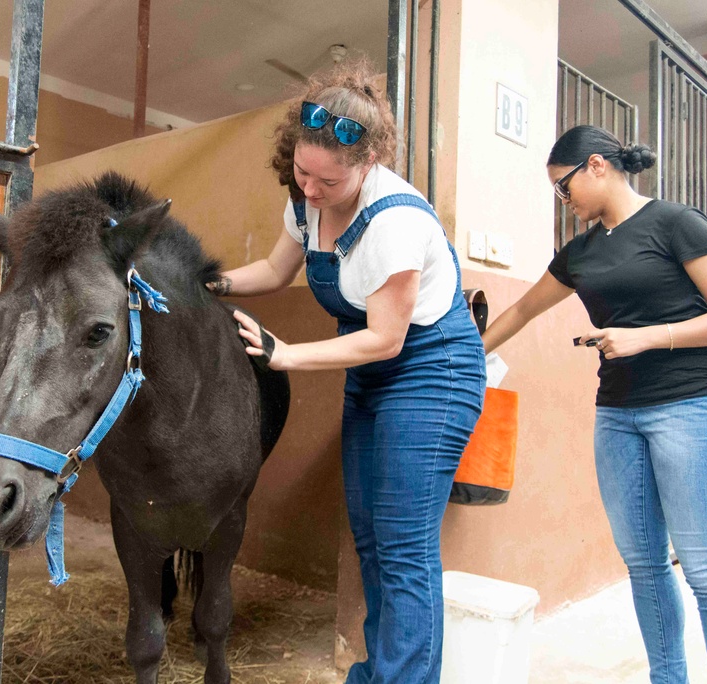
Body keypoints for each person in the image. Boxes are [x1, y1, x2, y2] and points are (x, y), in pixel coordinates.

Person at [206, 61, 485, 683]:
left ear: (369, 164)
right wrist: (212, 282)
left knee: (406, 547)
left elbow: (386, 339)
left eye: (327, 181)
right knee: (371, 536)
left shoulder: (394, 222)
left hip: (431, 373)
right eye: (302, 171)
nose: (310, 189)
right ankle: (381, 673)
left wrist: (286, 355)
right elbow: (276, 273)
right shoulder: (305, 205)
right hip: (373, 376)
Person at [482, 124, 707, 683]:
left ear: (597, 165)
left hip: (694, 405)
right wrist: (460, 359)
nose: (563, 200)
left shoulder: (675, 223)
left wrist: (646, 336)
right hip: (618, 414)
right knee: (645, 567)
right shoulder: (580, 253)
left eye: (564, 187)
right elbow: (521, 312)